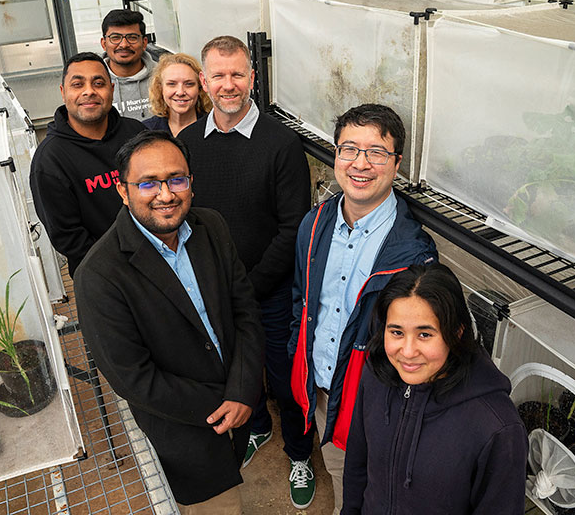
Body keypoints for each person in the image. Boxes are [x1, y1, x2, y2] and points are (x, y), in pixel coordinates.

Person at [74, 130, 264, 514]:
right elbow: (134, 378)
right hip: (184, 432)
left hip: (235, 406)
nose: (166, 194)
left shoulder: (211, 226)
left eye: (177, 179)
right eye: (148, 183)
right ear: (123, 190)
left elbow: (243, 309)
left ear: (191, 183)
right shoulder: (98, 275)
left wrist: (243, 390)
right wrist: (223, 403)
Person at [178, 36, 316, 509]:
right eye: (218, 75)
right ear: (204, 82)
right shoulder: (189, 143)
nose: (228, 84)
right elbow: (185, 217)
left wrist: (249, 289)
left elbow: (293, 227)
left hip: (272, 292)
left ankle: (299, 454)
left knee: (284, 378)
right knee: (237, 370)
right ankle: (256, 426)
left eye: (238, 74)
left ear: (253, 78)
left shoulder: (281, 145)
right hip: (216, 291)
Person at [289, 103, 438, 515]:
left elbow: (419, 344)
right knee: (341, 475)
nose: (360, 163)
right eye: (349, 149)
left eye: (376, 152)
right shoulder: (314, 224)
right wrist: (297, 358)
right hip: (322, 391)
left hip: (378, 401)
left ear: (397, 163)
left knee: (382, 485)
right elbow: (303, 302)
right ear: (335, 155)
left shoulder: (413, 253)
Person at [341, 263, 528, 514]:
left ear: (457, 332)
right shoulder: (376, 375)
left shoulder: (498, 427)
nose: (407, 352)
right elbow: (357, 463)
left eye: (425, 335)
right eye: (396, 332)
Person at [29, 52, 145, 276]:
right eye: (77, 84)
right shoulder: (50, 160)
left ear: (111, 89)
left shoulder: (137, 134)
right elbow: (68, 237)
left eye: (98, 83)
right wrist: (123, 268)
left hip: (159, 258)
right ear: (64, 93)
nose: (89, 91)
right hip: (103, 276)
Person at [101, 9, 154, 120]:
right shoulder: (93, 83)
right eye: (115, 38)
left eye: (132, 38)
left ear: (144, 43)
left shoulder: (164, 76)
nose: (124, 45)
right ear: (104, 43)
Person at [142, 53, 211, 136]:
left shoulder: (213, 128)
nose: (180, 92)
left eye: (189, 84)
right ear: (160, 88)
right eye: (172, 84)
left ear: (200, 88)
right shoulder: (147, 130)